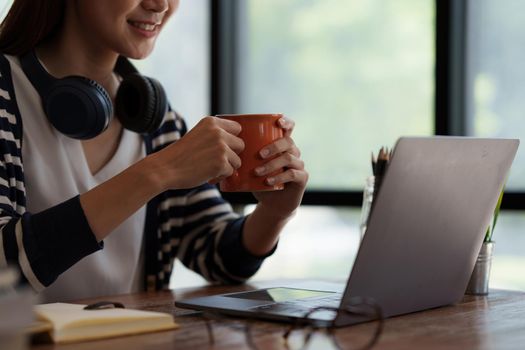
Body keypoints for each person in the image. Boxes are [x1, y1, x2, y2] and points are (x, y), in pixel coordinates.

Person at [0, 0, 308, 302]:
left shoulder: (154, 118)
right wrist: (158, 172)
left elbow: (219, 256)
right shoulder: (6, 91)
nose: (160, 4)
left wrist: (274, 213)